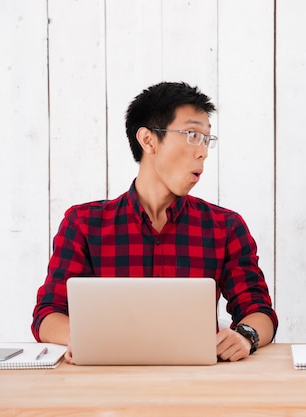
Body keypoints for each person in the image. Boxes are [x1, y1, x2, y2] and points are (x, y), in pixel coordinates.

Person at [32, 81, 278, 363]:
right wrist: (80, 336)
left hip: (198, 384)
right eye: (192, 135)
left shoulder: (225, 227)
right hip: (105, 382)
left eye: (207, 139)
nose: (204, 152)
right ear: (148, 140)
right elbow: (47, 314)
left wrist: (246, 335)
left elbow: (259, 311)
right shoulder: (84, 224)